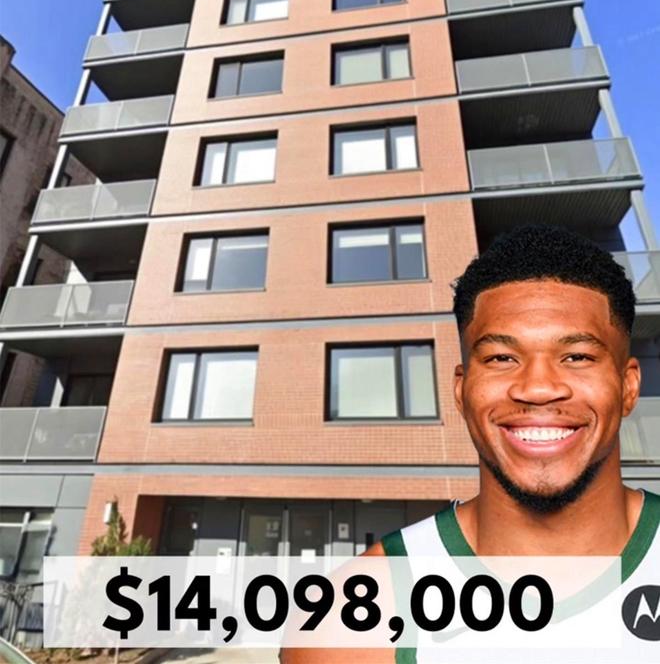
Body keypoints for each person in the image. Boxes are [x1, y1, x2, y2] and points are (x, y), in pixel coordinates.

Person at [280, 224, 660, 663]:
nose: (538, 388)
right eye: (501, 358)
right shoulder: (346, 623)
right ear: (461, 391)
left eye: (576, 356)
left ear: (629, 386)